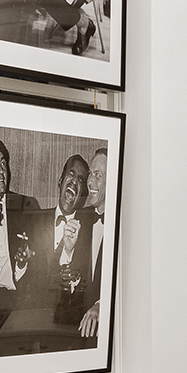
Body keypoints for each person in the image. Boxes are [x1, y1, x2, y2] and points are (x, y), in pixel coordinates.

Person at [0, 139, 37, 352]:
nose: (1, 171)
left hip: (17, 302)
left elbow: (39, 268)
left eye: (4, 164)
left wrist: (22, 264)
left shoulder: (25, 206)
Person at [41, 153, 96, 334]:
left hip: (68, 326)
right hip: (33, 320)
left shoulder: (91, 231)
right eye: (71, 174)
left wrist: (67, 251)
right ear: (60, 181)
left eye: (81, 179)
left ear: (84, 194)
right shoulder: (34, 220)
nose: (74, 181)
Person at [79, 146, 109, 340]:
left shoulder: (126, 228)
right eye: (90, 174)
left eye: (98, 175)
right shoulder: (81, 221)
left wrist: (101, 304)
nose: (90, 181)